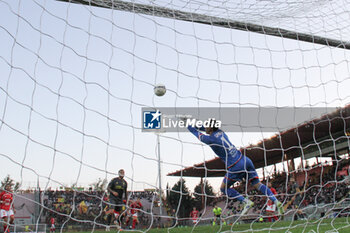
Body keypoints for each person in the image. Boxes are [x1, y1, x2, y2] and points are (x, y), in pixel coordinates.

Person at [187, 119, 284, 216]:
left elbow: (196, 133)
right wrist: (192, 123)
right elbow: (203, 128)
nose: (205, 127)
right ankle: (276, 201)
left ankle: (246, 201)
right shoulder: (220, 131)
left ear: (211, 128)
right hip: (245, 160)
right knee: (257, 184)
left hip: (235, 166)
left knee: (223, 189)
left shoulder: (210, 139)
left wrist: (187, 125)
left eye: (207, 125)